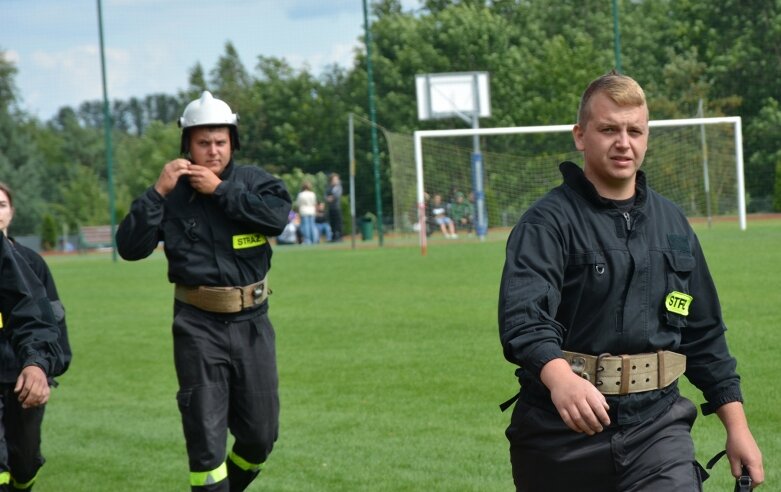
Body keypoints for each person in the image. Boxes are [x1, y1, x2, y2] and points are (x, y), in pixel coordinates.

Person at [498, 71, 763, 491]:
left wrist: (737, 426)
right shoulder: (546, 223)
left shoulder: (674, 224)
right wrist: (560, 377)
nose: (624, 142)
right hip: (558, 437)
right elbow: (523, 318)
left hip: (657, 432)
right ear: (581, 136)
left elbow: (704, 334)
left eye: (634, 130)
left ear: (646, 137)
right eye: (609, 129)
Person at [115, 91, 292, 492]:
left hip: (253, 325)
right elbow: (130, 247)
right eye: (203, 143)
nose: (213, 151)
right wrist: (156, 194)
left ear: (232, 142)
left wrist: (220, 191)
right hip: (198, 328)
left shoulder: (254, 183)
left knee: (261, 436)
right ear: (187, 145)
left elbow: (277, 219)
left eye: (220, 142)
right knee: (206, 446)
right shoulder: (170, 193)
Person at [0, 182, 71, 491]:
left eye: (2, 204)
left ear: (13, 212)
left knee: (24, 463)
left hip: (19, 374)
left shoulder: (29, 262)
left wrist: (41, 364)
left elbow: (41, 316)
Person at [325, 173, 343, 241]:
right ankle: (334, 236)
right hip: (331, 208)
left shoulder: (338, 188)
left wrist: (331, 198)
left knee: (338, 222)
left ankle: (339, 236)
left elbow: (337, 196)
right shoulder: (329, 188)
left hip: (337, 208)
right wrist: (328, 198)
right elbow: (325, 196)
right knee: (332, 223)